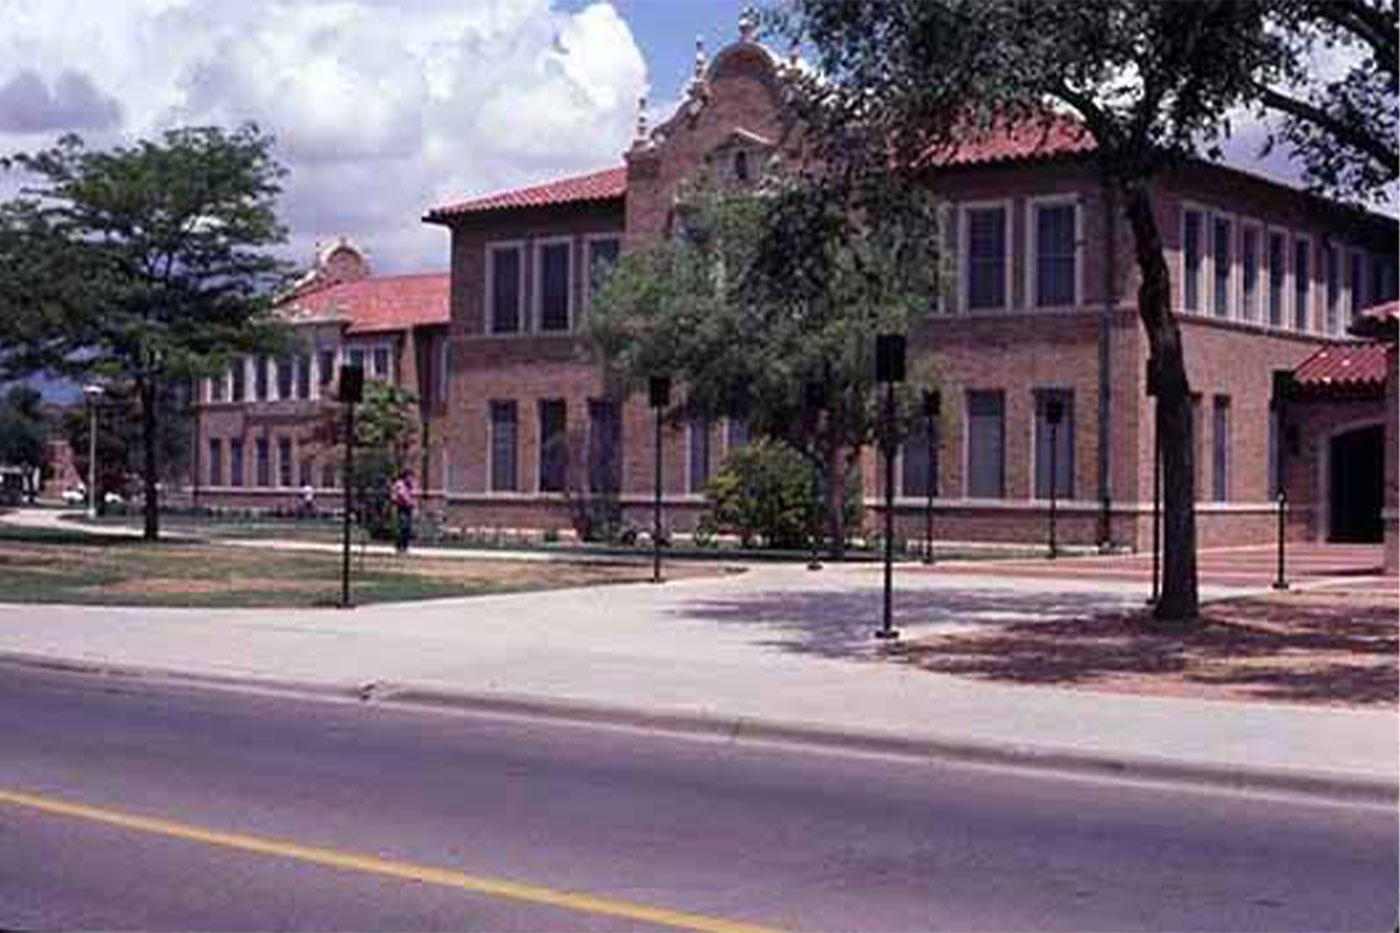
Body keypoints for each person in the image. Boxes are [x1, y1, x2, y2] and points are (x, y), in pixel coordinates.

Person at [390, 470, 416, 553]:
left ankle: (405, 546)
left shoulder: (410, 485)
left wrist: (412, 504)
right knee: (402, 527)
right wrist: (409, 502)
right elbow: (401, 495)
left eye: (412, 477)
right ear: (405, 476)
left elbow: (412, 496)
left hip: (408, 508)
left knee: (407, 528)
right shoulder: (400, 484)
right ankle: (399, 546)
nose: (411, 479)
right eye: (410, 477)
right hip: (401, 508)